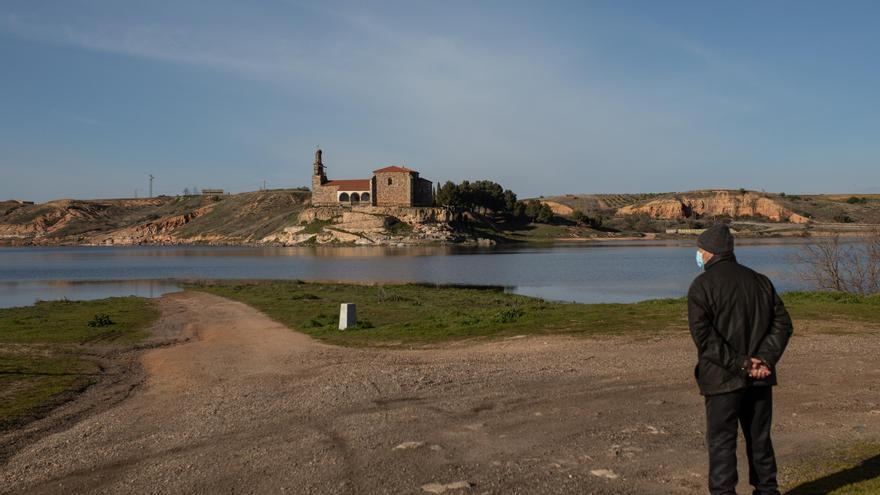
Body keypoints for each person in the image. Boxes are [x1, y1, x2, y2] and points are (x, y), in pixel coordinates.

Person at [687, 223, 793, 495]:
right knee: (759, 440)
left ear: (709, 252)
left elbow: (705, 339)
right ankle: (767, 490)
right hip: (759, 379)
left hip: (723, 380)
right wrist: (763, 361)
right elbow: (782, 325)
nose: (697, 255)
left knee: (722, 442)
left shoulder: (702, 286)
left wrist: (744, 364)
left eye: (699, 250)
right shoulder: (760, 281)